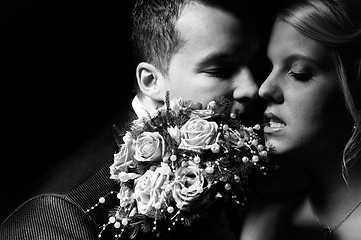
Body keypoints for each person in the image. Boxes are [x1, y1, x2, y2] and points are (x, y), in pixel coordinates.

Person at [0, 0, 272, 239]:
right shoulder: (59, 213)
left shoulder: (241, 156)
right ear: (151, 81)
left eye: (253, 64)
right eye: (220, 70)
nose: (252, 88)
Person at [240, 0, 361, 239]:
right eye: (269, 67)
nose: (264, 89)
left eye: (298, 73)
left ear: (356, 91)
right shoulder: (260, 221)